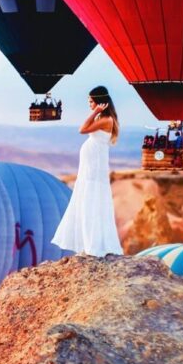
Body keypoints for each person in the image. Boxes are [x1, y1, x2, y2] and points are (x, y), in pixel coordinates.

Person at [51, 86, 123, 257]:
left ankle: (94, 244)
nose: (89, 104)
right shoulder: (102, 117)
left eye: (91, 101)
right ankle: (87, 241)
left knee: (92, 198)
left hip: (95, 164)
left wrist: (95, 112)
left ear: (100, 102)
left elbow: (82, 129)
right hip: (91, 162)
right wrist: (96, 112)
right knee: (86, 198)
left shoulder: (106, 119)